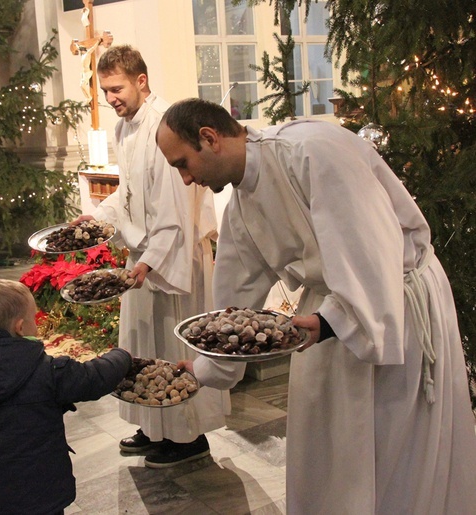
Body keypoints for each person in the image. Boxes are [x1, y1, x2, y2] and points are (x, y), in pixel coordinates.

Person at [156, 97, 476, 513]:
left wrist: (328, 323)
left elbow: (372, 252)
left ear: (209, 138)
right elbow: (234, 299)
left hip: (394, 304)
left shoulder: (311, 152)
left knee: (397, 447)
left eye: (182, 163)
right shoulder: (242, 206)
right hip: (332, 314)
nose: (184, 179)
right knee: (326, 445)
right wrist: (205, 369)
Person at [73, 45, 228, 468]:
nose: (111, 99)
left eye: (117, 88)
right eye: (105, 91)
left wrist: (148, 262)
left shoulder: (168, 126)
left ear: (141, 80)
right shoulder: (125, 128)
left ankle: (187, 437)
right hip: (144, 255)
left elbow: (175, 210)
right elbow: (127, 194)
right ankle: (154, 425)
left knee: (173, 345)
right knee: (143, 343)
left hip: (173, 257)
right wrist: (97, 219)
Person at [0, 279, 132, 515]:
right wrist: (121, 356)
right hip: (45, 491)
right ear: (20, 328)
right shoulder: (48, 371)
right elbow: (92, 379)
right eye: (34, 318)